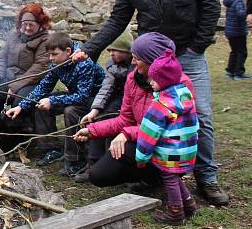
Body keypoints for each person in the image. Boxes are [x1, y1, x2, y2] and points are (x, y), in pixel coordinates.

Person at [72, 0, 228, 206]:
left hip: (187, 56)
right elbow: (118, 20)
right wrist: (90, 48)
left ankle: (207, 177)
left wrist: (196, 47)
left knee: (199, 116)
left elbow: (210, 6)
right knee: (149, 117)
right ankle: (156, 174)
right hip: (150, 61)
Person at [74, 33, 189, 192]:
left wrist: (127, 134)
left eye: (137, 58)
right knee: (98, 176)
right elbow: (124, 119)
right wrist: (93, 130)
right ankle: (148, 179)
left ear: (153, 61)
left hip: (170, 147)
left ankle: (163, 181)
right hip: (142, 140)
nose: (133, 62)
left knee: (127, 148)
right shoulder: (133, 79)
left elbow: (166, 129)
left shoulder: (179, 85)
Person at [7, 32, 104, 176]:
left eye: (54, 54)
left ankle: (76, 159)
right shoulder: (57, 63)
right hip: (75, 94)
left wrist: (52, 101)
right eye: (49, 54)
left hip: (95, 98)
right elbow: (43, 86)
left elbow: (83, 96)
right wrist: (21, 106)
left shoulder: (84, 62)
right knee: (40, 103)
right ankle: (52, 149)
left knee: (70, 111)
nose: (51, 58)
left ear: (68, 51)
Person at [135, 48, 199, 225]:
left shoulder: (161, 105)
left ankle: (175, 213)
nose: (150, 81)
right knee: (175, 177)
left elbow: (148, 134)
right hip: (188, 148)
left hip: (170, 151)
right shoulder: (185, 97)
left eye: (154, 79)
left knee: (169, 179)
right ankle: (189, 204)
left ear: (164, 80)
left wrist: (141, 157)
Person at [0, 3, 51, 153]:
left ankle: (14, 146)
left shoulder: (45, 41)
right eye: (25, 24)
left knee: (19, 104)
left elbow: (39, 68)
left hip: (32, 82)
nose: (27, 28)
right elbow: (2, 57)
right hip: (9, 79)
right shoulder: (14, 36)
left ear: (40, 23)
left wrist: (15, 86)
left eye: (31, 24)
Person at [74, 30, 134, 183]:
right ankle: (93, 163)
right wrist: (94, 111)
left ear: (127, 50)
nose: (112, 54)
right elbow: (106, 89)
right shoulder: (112, 66)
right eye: (110, 50)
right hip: (115, 99)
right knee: (99, 121)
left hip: (131, 102)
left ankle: (114, 166)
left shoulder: (137, 67)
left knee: (114, 120)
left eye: (116, 50)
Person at [223, 0, 250, 80]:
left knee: (234, 51)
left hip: (230, 31)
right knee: (242, 52)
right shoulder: (238, 1)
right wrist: (248, 14)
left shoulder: (230, 1)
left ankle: (230, 71)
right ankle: (239, 73)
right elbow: (240, 14)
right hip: (238, 32)